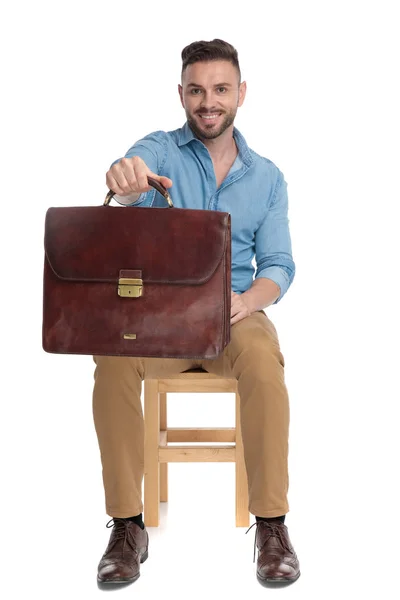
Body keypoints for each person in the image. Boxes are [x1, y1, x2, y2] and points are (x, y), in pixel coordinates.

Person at [93, 38, 300, 587]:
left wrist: (246, 302)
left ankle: (273, 526)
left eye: (220, 89)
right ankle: (126, 524)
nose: (208, 101)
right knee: (111, 358)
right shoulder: (162, 150)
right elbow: (133, 164)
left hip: (234, 318)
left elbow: (279, 265)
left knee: (263, 363)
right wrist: (127, 174)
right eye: (197, 90)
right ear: (181, 94)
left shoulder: (268, 178)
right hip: (160, 322)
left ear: (240, 94)